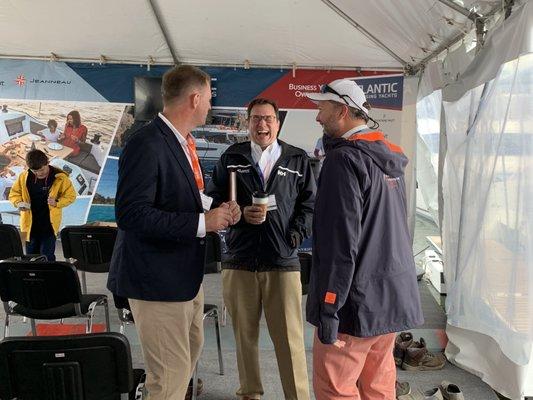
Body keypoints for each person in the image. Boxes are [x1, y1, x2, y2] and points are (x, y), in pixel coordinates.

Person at [107, 65, 241, 400]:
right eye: (210, 99)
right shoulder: (147, 143)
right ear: (195, 99)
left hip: (182, 279)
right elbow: (131, 214)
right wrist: (202, 224)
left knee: (182, 366)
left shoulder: (181, 143)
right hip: (156, 280)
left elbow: (182, 196)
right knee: (169, 376)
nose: (211, 106)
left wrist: (217, 210)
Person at [304, 79, 423, 400]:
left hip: (355, 306)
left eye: (322, 109)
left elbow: (338, 246)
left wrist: (329, 310)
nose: (317, 118)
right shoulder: (387, 158)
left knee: (336, 389)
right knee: (379, 386)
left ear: (342, 111)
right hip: (390, 299)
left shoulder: (344, 161)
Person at [206, 98, 315, 400]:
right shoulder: (232, 156)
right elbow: (212, 198)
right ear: (248, 122)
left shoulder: (297, 159)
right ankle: (249, 394)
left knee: (290, 340)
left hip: (282, 261)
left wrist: (293, 236)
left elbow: (310, 205)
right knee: (244, 337)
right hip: (239, 260)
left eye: (268, 118)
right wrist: (236, 212)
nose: (261, 124)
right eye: (255, 118)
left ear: (278, 123)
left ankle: (298, 397)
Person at [8, 149, 76, 261]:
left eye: (42, 169)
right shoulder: (23, 177)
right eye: (35, 171)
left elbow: (71, 196)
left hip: (49, 226)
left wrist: (57, 202)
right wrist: (18, 202)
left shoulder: (60, 178)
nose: (39, 173)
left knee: (47, 258)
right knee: (30, 258)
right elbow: (14, 193)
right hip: (29, 226)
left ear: (47, 162)